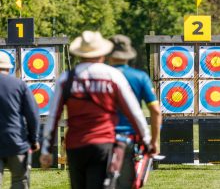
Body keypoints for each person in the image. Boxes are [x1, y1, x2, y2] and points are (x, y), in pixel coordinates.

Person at [40, 30, 152, 189]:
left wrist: (46, 149)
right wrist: (146, 140)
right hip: (103, 143)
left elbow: (53, 117)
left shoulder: (67, 78)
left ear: (79, 54)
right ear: (102, 54)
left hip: (75, 145)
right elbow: (133, 112)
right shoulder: (112, 76)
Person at [109, 34, 162, 189]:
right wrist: (154, 141)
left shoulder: (99, 76)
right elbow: (156, 111)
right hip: (129, 140)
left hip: (101, 138)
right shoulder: (140, 77)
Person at [0, 52, 40, 189]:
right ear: (9, 68)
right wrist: (34, 140)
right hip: (16, 143)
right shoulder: (19, 85)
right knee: (19, 181)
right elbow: (33, 115)